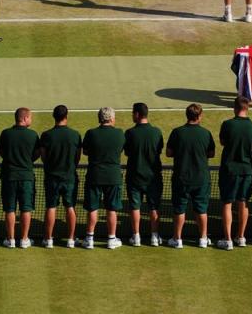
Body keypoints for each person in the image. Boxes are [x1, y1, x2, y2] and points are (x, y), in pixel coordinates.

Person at [166, 103, 216, 249]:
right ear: (199, 116)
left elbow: (169, 153)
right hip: (201, 178)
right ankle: (203, 238)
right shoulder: (206, 133)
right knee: (201, 209)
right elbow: (211, 153)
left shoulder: (177, 132)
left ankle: (177, 239)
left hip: (181, 178)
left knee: (179, 209)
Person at [217, 96, 252, 250]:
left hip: (229, 170)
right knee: (243, 202)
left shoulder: (227, 125)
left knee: (227, 203)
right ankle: (241, 237)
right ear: (247, 108)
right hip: (246, 170)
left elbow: (222, 142)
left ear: (235, 108)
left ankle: (228, 239)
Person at [80, 107, 125, 250]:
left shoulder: (91, 133)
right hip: (113, 177)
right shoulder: (119, 134)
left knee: (92, 208)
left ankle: (89, 239)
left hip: (94, 176)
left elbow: (86, 151)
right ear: (111, 118)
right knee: (112, 209)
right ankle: (111, 239)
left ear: (99, 118)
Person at [40, 105, 83, 249]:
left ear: (54, 116)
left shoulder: (46, 135)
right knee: (70, 206)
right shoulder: (75, 135)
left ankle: (48, 239)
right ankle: (71, 239)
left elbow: (44, 157)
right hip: (69, 177)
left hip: (52, 177)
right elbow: (77, 157)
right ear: (67, 115)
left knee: (51, 207)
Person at [124, 102, 164, 247]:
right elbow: (159, 150)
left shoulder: (129, 133)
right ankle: (154, 236)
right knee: (154, 207)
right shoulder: (157, 132)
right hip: (153, 177)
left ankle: (136, 237)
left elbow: (127, 152)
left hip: (134, 176)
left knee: (135, 206)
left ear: (137, 114)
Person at [0, 107, 39, 249]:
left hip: (9, 176)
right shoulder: (33, 135)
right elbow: (36, 154)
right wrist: (27, 160)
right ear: (25, 118)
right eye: (30, 117)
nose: (31, 120)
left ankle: (10, 240)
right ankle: (24, 239)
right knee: (26, 209)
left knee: (9, 209)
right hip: (26, 177)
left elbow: (1, 152)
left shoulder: (5, 134)